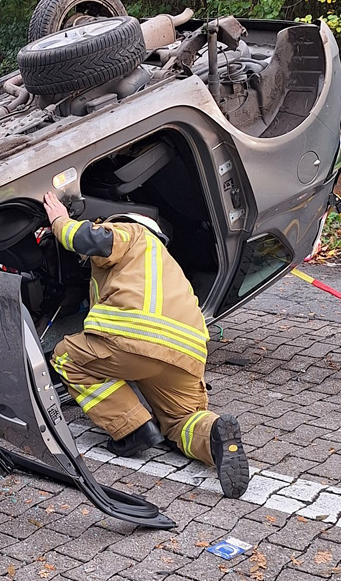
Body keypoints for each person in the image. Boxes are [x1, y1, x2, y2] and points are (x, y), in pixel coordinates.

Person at [42, 191, 249, 498]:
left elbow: (92, 240)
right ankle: (215, 434)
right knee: (180, 421)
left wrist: (60, 221)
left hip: (135, 340)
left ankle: (132, 430)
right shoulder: (169, 266)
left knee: (65, 357)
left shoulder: (133, 231)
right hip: (187, 353)